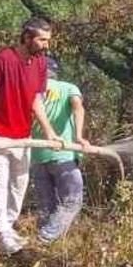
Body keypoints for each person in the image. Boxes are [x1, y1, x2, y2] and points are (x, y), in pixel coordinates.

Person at [0, 17, 59, 257]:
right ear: (27, 37)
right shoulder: (4, 57)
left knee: (19, 185)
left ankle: (8, 226)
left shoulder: (41, 62)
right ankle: (1, 232)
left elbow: (36, 100)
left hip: (23, 136)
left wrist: (49, 132)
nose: (46, 45)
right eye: (42, 39)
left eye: (48, 40)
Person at [31, 57, 91, 244]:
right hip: (63, 154)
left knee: (46, 206)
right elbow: (78, 108)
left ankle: (41, 247)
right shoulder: (68, 87)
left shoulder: (33, 90)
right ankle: (44, 238)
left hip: (38, 156)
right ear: (56, 71)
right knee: (72, 201)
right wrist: (79, 136)